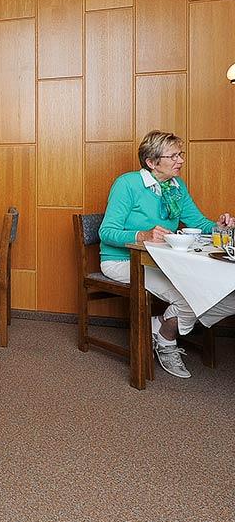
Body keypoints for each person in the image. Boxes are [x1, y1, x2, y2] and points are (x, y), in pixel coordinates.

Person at [99, 130, 235, 379]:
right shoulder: (128, 184)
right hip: (124, 261)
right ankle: (167, 340)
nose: (180, 160)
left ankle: (160, 325)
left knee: (228, 292)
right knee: (190, 295)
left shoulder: (176, 187)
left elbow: (198, 223)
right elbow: (106, 231)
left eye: (180, 154)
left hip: (163, 262)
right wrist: (142, 235)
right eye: (173, 156)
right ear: (151, 162)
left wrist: (218, 227)